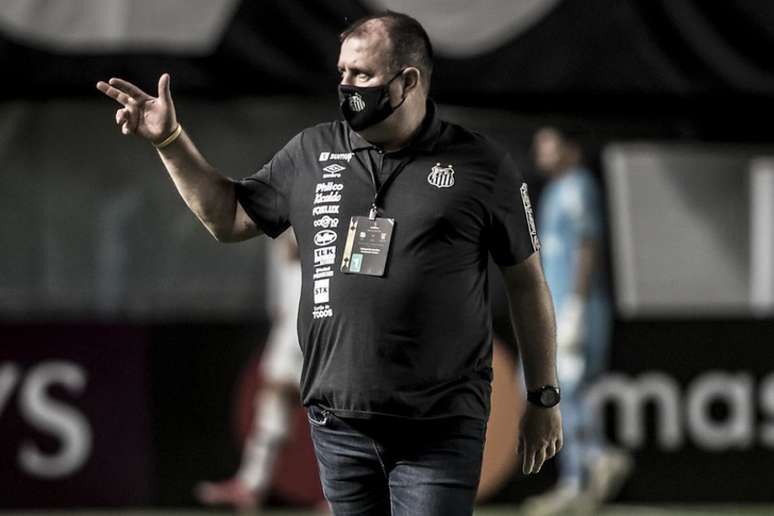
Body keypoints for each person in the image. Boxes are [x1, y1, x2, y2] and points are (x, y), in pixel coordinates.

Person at [97, 11, 562, 516]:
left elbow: (527, 284)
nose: (346, 86)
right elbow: (228, 217)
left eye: (361, 74)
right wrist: (170, 141)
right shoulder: (311, 151)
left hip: (439, 427)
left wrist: (543, 398)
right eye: (341, 73)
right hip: (338, 428)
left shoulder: (482, 165)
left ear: (408, 81)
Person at [525, 127, 632, 516]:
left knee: (559, 389)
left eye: (548, 145)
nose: (541, 154)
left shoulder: (579, 187)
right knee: (560, 392)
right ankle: (579, 474)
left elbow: (588, 247)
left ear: (571, 148)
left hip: (575, 309)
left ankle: (592, 461)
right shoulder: (553, 191)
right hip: (553, 309)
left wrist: (575, 308)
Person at [195, 230, 304, 511]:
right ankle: (251, 484)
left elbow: (298, 247)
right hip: (291, 312)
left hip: (318, 309)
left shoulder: (319, 193)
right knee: (274, 396)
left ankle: (343, 494)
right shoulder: (281, 192)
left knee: (332, 400)